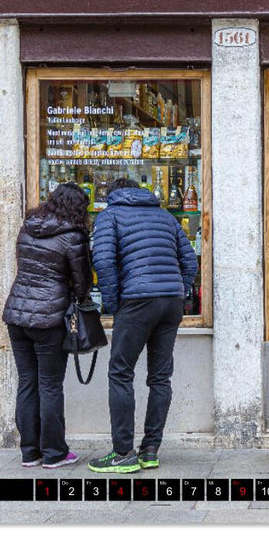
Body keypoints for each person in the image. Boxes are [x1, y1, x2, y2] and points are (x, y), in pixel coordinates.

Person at [88, 177, 198, 473]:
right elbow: (189, 260)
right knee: (160, 377)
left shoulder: (110, 215)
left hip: (136, 300)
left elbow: (103, 260)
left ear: (112, 194)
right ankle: (150, 450)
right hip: (171, 302)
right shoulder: (164, 215)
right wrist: (178, 289)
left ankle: (123, 453)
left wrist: (112, 304)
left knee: (121, 373)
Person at [2, 182, 92, 469]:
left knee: (28, 383)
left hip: (17, 314)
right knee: (50, 385)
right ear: (78, 208)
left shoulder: (28, 226)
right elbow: (82, 282)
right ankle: (54, 453)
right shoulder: (73, 236)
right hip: (49, 318)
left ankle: (30, 452)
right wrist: (81, 299)